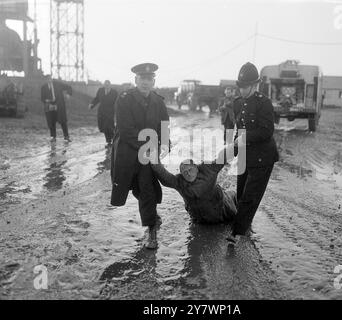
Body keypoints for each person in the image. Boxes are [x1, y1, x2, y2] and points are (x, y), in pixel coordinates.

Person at [110, 63, 170, 250]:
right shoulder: (124, 99)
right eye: (142, 79)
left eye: (149, 79)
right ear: (136, 80)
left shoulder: (158, 101)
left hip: (147, 154)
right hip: (127, 151)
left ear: (153, 81)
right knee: (132, 187)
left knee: (146, 188)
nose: (145, 83)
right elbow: (126, 130)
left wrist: (165, 143)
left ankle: (151, 231)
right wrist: (149, 145)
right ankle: (151, 213)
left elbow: (164, 124)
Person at [226, 62, 279, 245]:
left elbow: (267, 131)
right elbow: (238, 130)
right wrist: (230, 151)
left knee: (250, 196)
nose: (242, 90)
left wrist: (244, 138)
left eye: (246, 87)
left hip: (263, 157)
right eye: (240, 87)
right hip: (245, 155)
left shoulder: (264, 103)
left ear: (255, 85)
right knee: (241, 194)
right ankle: (245, 225)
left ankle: (236, 233)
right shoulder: (237, 103)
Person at [147, 144, 237, 225]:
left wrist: (236, 145)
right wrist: (154, 160)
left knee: (235, 196)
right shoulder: (179, 182)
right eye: (185, 172)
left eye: (190, 170)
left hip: (224, 210)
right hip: (200, 219)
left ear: (196, 168)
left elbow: (223, 157)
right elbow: (164, 176)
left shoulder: (208, 169)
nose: (188, 174)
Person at [41, 74, 73, 142]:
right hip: (50, 106)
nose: (49, 80)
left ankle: (66, 137)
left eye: (50, 78)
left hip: (59, 105)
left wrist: (68, 94)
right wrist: (46, 100)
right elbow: (42, 98)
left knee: (63, 121)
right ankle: (53, 137)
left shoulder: (58, 84)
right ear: (45, 80)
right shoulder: (43, 87)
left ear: (51, 79)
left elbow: (69, 87)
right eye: (47, 79)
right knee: (51, 121)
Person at [89, 80, 118, 144]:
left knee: (108, 126)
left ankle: (112, 139)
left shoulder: (114, 92)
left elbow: (117, 101)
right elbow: (97, 98)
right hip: (101, 111)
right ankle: (109, 140)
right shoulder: (100, 90)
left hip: (110, 111)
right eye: (105, 85)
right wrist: (92, 104)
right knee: (102, 126)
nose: (106, 86)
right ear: (104, 85)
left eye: (108, 85)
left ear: (110, 85)